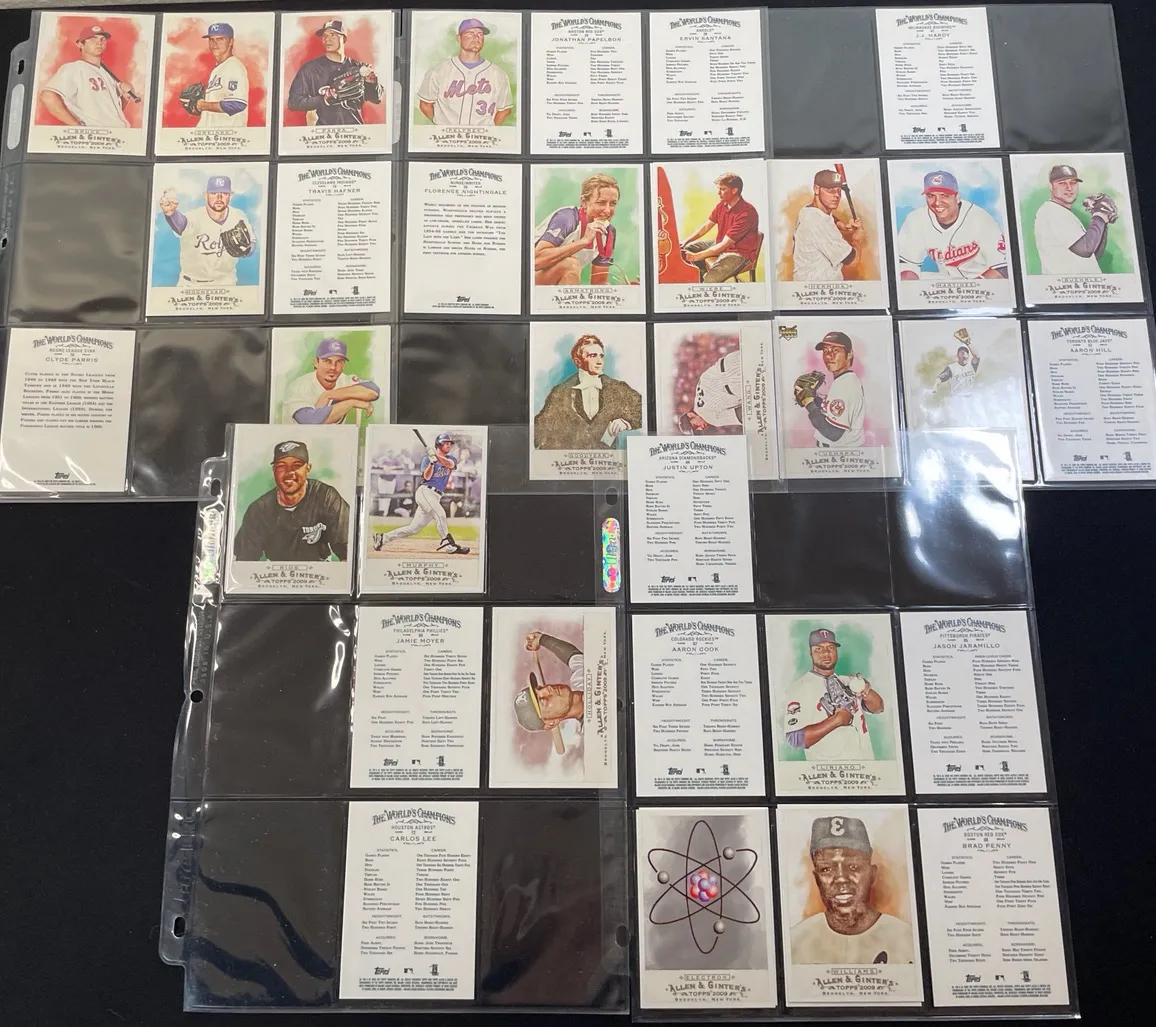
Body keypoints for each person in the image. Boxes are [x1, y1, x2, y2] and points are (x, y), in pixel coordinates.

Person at [790, 816, 914, 965]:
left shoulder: (907, 939)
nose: (841, 878)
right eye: (826, 869)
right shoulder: (794, 942)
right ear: (817, 879)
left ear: (872, 874)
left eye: (853, 867)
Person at [232, 441, 350, 561]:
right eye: (281, 466)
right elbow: (244, 560)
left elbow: (348, 552)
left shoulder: (326, 497)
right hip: (275, 570)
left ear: (308, 468)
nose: (289, 472)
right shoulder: (259, 510)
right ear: (274, 470)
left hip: (319, 569)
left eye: (296, 465)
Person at [783, 628, 882, 763]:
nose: (825, 653)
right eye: (819, 648)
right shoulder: (799, 688)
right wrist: (837, 720)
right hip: (829, 770)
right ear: (810, 652)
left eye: (830, 647)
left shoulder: (849, 681)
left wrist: (866, 690)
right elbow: (794, 740)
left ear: (836, 651)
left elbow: (878, 708)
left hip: (865, 765)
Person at [534, 334, 642, 450]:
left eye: (601, 356)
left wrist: (625, 422)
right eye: (593, 356)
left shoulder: (617, 388)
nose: (599, 361)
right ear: (578, 361)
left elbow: (642, 409)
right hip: (571, 458)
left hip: (607, 459)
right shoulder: (560, 392)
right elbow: (540, 431)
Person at [896, 170, 1007, 279]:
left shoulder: (980, 218)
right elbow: (907, 265)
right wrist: (911, 287)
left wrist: (975, 286)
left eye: (944, 196)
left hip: (984, 282)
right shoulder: (917, 219)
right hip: (946, 283)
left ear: (957, 197)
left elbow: (1003, 268)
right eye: (931, 196)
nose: (937, 202)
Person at [373, 433, 470, 554]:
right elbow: (426, 476)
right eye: (446, 443)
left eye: (450, 443)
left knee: (414, 528)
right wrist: (432, 463)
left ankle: (383, 538)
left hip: (436, 496)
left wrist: (436, 457)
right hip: (425, 492)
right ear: (439, 445)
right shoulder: (426, 459)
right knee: (440, 514)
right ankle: (449, 546)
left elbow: (449, 465)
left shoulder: (451, 459)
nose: (449, 445)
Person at [158, 174, 253, 286]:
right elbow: (181, 224)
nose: (219, 198)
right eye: (214, 193)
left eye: (224, 193)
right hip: (191, 285)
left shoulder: (238, 216)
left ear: (230, 195)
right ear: (205, 195)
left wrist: (247, 250)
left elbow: (252, 243)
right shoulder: (194, 217)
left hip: (226, 282)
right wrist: (171, 214)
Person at [416, 17, 513, 127]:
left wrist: (489, 130)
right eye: (470, 33)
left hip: (483, 136)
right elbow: (425, 105)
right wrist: (441, 126)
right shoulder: (439, 71)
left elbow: (504, 110)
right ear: (459, 38)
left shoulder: (498, 74)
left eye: (480, 34)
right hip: (446, 136)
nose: (476, 37)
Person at [286, 19, 382, 126]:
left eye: (333, 35)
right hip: (325, 132)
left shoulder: (357, 68)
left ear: (344, 38)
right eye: (324, 36)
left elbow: (376, 99)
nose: (327, 39)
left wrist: (372, 83)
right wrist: (323, 100)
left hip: (355, 130)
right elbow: (294, 102)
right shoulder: (310, 69)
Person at [38, 24, 135, 127]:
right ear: (80, 44)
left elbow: (111, 112)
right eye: (93, 39)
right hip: (96, 133)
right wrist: (76, 125)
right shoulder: (73, 69)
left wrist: (125, 97)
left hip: (119, 130)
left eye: (102, 39)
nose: (99, 42)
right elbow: (48, 96)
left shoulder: (107, 73)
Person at [534, 173, 621, 286]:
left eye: (613, 204)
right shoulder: (567, 218)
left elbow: (599, 282)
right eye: (601, 203)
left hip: (558, 283)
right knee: (571, 265)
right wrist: (584, 241)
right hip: (526, 279)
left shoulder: (608, 232)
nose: (608, 210)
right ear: (584, 202)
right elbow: (536, 261)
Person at [1033, 163, 1114, 275]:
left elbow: (1094, 254)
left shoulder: (1063, 213)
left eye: (1073, 182)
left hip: (1077, 283)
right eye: (1062, 183)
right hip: (1064, 283)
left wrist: (1103, 223)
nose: (1069, 188)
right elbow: (1085, 249)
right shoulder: (1052, 211)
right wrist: (1099, 216)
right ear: (1051, 186)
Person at [680, 173, 761, 283]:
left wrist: (695, 257)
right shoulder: (722, 204)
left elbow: (724, 245)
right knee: (687, 248)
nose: (718, 192)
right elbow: (706, 226)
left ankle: (705, 281)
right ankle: (701, 276)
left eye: (722, 189)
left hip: (738, 252)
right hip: (722, 244)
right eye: (718, 188)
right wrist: (686, 241)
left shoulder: (747, 213)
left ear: (734, 190)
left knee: (711, 280)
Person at [513, 629, 585, 751]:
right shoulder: (595, 732)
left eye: (540, 688)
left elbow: (572, 656)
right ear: (552, 722)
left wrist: (542, 639)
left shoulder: (580, 679)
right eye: (543, 700)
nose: (548, 689)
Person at [280, 338, 380, 425]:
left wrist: (328, 395)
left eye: (339, 362)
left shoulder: (344, 380)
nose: (333, 367)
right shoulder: (299, 385)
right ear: (316, 363)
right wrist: (351, 402)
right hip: (296, 438)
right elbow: (311, 421)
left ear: (344, 365)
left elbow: (373, 391)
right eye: (327, 361)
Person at [790, 169, 865, 281]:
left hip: (807, 283)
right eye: (830, 190)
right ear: (816, 189)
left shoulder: (807, 211)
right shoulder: (819, 223)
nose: (837, 195)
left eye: (838, 190)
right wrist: (857, 240)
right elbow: (852, 261)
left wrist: (842, 225)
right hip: (818, 286)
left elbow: (828, 217)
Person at [795, 331, 865, 449]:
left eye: (835, 351)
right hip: (842, 450)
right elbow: (830, 412)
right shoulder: (844, 380)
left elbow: (833, 433)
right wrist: (814, 399)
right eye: (826, 351)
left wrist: (809, 404)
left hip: (839, 453)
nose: (828, 356)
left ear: (849, 354)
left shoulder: (845, 385)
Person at [188, 23, 249, 127]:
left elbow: (236, 104)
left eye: (220, 39)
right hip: (212, 133)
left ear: (231, 42)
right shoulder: (217, 69)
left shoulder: (234, 66)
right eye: (211, 40)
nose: (214, 44)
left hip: (228, 134)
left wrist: (201, 105)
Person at [677, 349, 744, 434]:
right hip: (732, 359)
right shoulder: (698, 389)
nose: (700, 428)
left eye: (695, 426)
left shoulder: (710, 418)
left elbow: (743, 415)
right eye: (697, 431)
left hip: (738, 382)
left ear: (690, 415)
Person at [932, 330, 981, 396]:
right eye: (961, 351)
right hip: (957, 398)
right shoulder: (951, 368)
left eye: (966, 351)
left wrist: (968, 343)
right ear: (957, 355)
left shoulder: (972, 365)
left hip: (970, 397)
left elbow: (977, 356)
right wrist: (935, 386)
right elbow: (940, 378)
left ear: (968, 355)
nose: (963, 352)